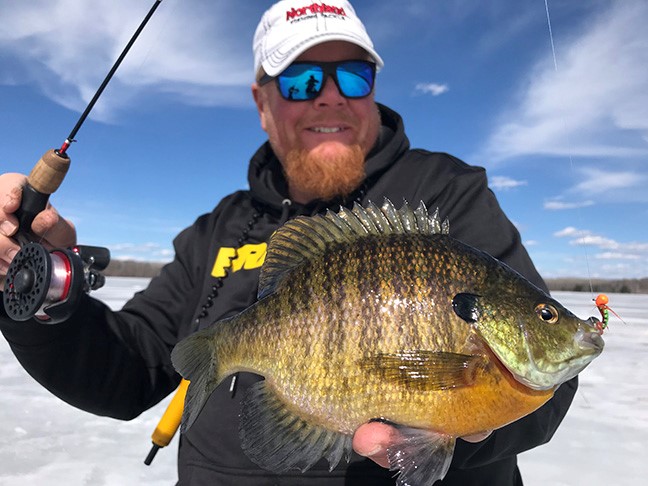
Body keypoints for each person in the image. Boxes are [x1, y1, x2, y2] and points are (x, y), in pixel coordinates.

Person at [0, 0, 578, 484]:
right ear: (262, 104)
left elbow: (545, 379)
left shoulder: (445, 193)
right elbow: (129, 370)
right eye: (301, 80)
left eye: (353, 75)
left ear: (372, 90)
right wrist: (39, 287)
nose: (329, 96)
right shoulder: (216, 228)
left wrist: (445, 428)